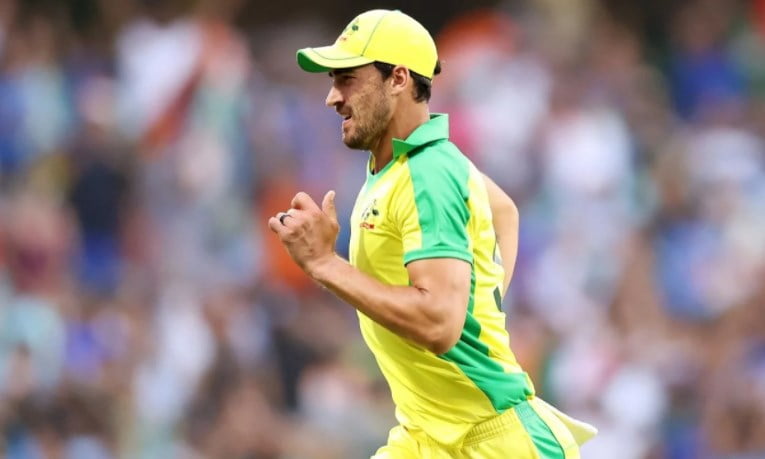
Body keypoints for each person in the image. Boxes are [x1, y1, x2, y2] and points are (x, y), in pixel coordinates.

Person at [267, 9, 596, 458]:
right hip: (428, 436)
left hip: (494, 441)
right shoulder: (410, 165)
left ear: (399, 79)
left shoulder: (429, 172)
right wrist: (484, 302)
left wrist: (325, 265)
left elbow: (440, 323)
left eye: (347, 79)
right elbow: (504, 211)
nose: (332, 97)